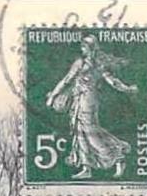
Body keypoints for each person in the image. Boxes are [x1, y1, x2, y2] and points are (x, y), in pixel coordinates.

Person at [46, 34, 138, 179]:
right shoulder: (95, 64)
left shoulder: (85, 64)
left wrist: (52, 96)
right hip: (81, 100)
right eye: (82, 46)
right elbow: (112, 81)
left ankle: (118, 157)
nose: (82, 49)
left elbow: (66, 80)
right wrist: (127, 89)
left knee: (89, 131)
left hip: (87, 101)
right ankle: (86, 167)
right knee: (80, 131)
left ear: (90, 48)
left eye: (84, 46)